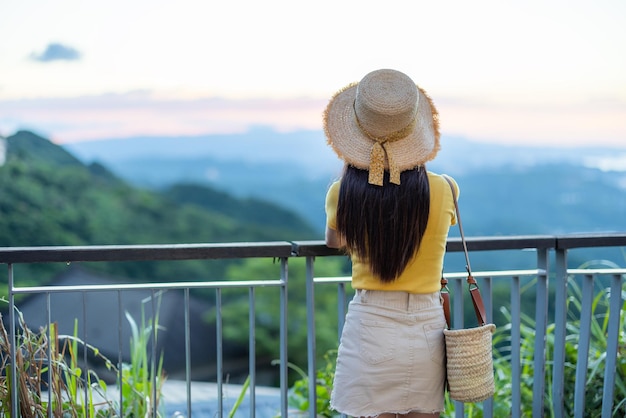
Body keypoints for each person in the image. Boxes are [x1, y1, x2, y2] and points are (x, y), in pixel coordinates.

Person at [323, 68, 459, 417]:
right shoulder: (445, 188)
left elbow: (334, 240)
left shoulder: (344, 194)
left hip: (372, 321)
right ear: (415, 132)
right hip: (427, 324)